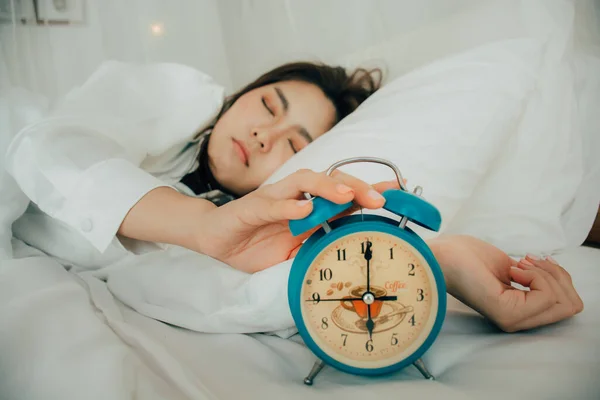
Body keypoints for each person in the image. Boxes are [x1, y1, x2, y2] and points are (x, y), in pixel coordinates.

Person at [5, 61, 583, 334]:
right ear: (247, 91)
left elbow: (228, 297)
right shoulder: (175, 94)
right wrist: (198, 222)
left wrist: (440, 261)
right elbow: (48, 147)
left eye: (294, 144)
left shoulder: (265, 230)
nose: (263, 135)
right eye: (269, 106)